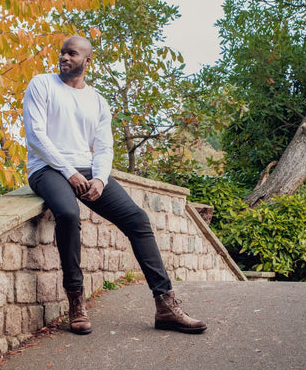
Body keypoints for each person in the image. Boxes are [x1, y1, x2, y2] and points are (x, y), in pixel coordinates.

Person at [22, 35, 206, 335]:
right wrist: (69, 173)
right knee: (68, 214)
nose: (64, 58)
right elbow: (36, 136)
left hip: (87, 170)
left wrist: (100, 178)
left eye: (72, 53)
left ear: (86, 60)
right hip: (47, 169)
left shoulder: (97, 100)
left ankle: (165, 304)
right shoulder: (41, 84)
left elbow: (104, 148)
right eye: (62, 53)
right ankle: (76, 300)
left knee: (137, 219)